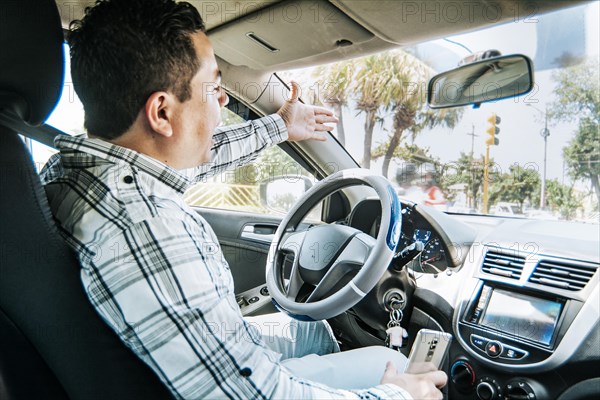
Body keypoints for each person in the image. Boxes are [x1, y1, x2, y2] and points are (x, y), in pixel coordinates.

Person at [41, 0, 447, 398]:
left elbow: (195, 158)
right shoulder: (150, 228)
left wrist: (281, 126)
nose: (223, 100)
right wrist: (397, 395)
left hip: (186, 361)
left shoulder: (73, 172)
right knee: (384, 363)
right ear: (162, 113)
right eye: (214, 86)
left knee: (312, 329)